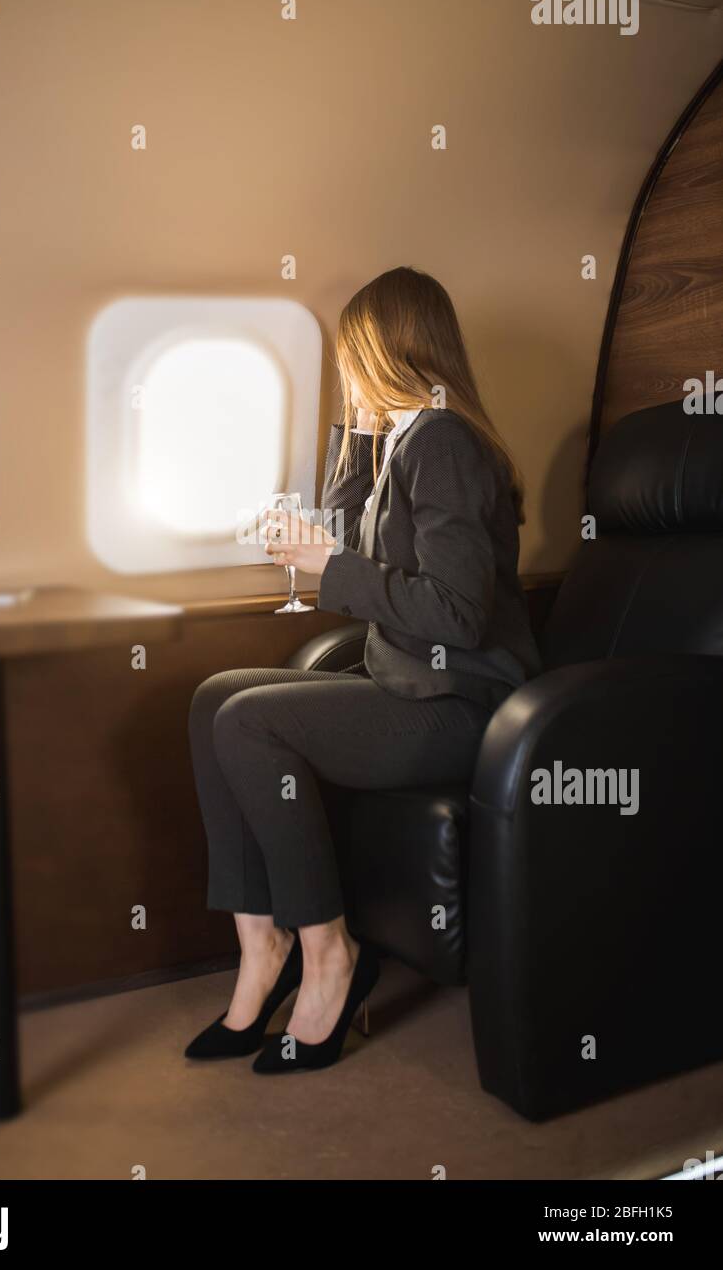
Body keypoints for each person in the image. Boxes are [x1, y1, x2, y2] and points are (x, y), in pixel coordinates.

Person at [185, 265, 541, 1074]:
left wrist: (327, 561)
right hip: (406, 679)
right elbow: (348, 536)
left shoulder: (445, 441)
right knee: (217, 697)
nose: (346, 370)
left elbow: (455, 614)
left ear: (389, 350)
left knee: (250, 721)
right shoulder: (409, 435)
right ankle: (262, 948)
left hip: (463, 703)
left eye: (353, 357)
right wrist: (355, 427)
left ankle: (329, 955)